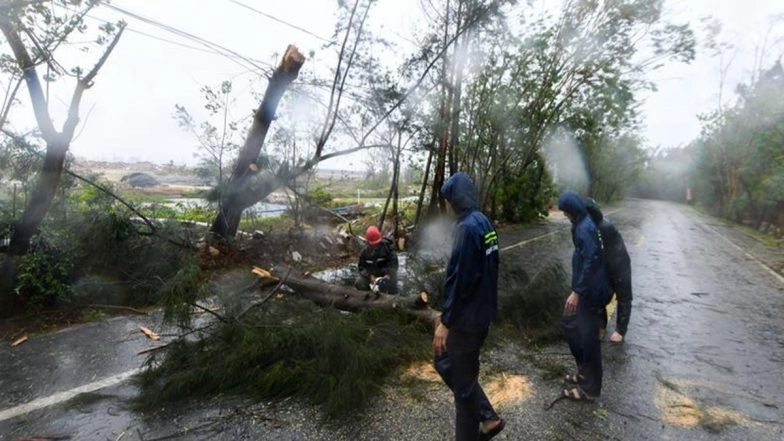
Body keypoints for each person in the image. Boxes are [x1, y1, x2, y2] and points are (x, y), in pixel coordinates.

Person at [433, 172, 505, 441]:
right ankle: (488, 417)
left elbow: (462, 281)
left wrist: (446, 321)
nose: (448, 206)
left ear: (456, 200)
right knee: (446, 362)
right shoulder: (484, 222)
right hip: (481, 315)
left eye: (449, 200)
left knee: (462, 390)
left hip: (466, 322)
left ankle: (481, 425)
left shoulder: (466, 228)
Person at [558, 190, 611, 402]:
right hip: (588, 290)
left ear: (572, 210)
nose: (564, 215)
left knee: (589, 340)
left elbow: (591, 260)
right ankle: (584, 373)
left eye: (565, 211)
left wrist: (577, 292)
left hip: (591, 292)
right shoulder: (582, 223)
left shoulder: (584, 228)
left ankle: (590, 388)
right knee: (573, 327)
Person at [584, 198, 632, 343]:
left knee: (623, 296)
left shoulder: (604, 227)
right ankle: (600, 326)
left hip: (619, 263)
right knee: (597, 294)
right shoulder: (589, 227)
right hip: (604, 264)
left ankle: (620, 331)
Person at [354, 225, 399, 294]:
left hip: (386, 274)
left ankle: (392, 297)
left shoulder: (388, 248)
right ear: (368, 242)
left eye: (376, 243)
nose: (375, 245)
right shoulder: (365, 252)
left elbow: (394, 264)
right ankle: (369, 298)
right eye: (372, 244)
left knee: (392, 284)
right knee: (359, 282)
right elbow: (361, 267)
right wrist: (369, 276)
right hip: (372, 275)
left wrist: (388, 274)